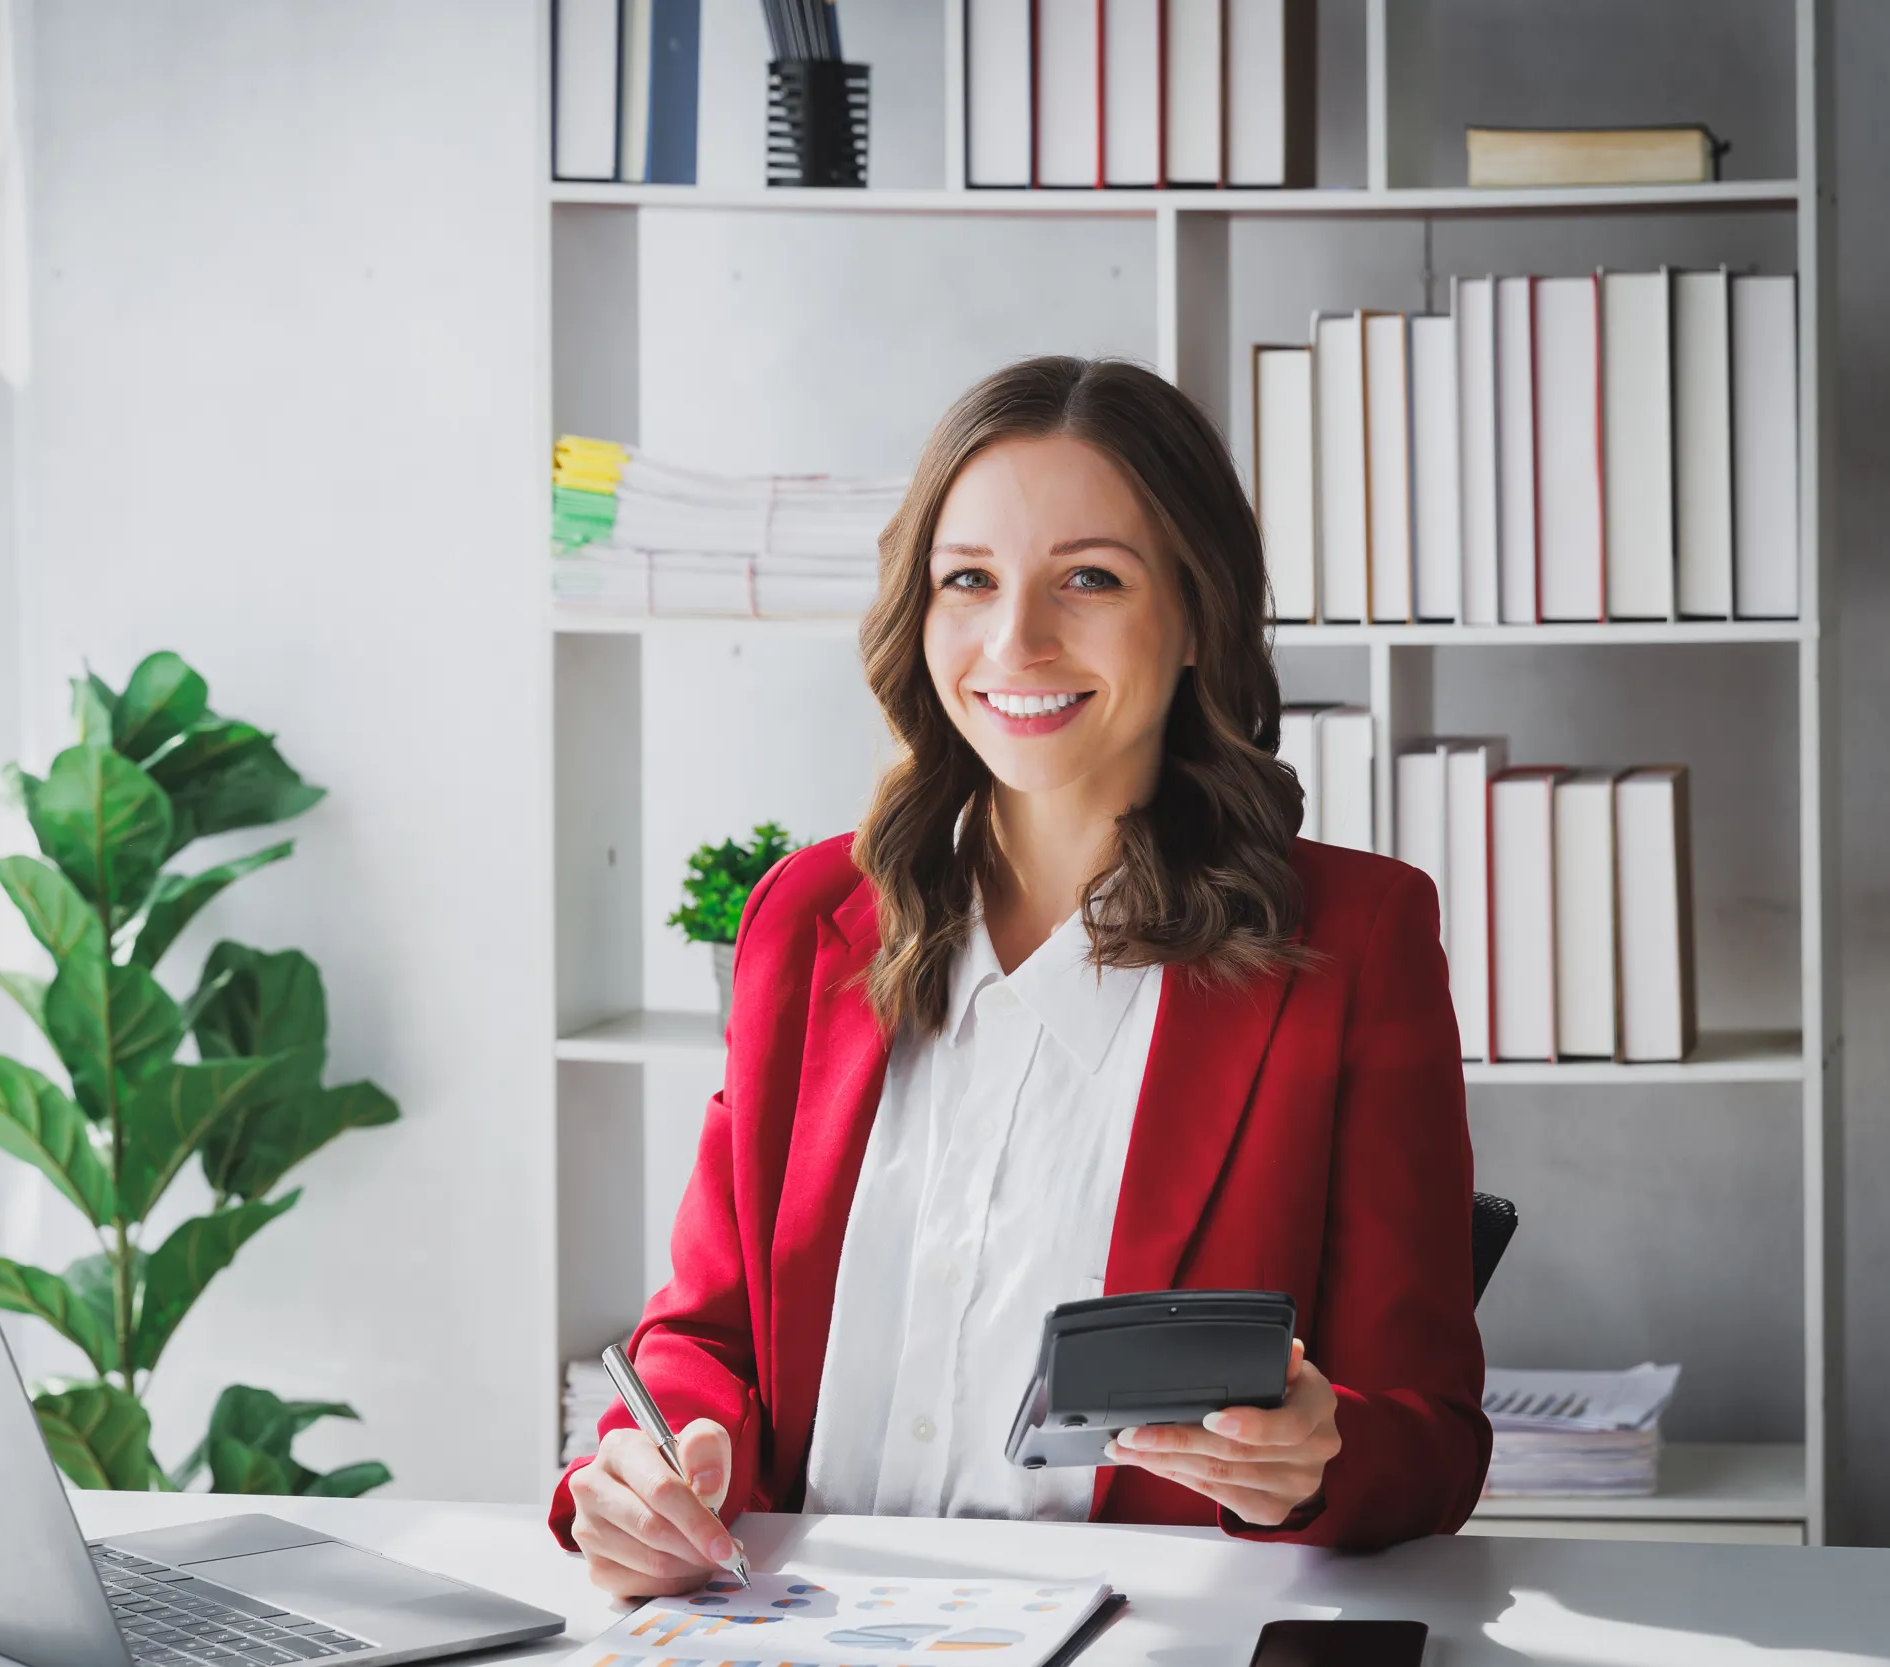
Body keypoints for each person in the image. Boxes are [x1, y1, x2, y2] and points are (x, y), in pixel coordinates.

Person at [552, 357, 1487, 1594]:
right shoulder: (807, 916)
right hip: (789, 1627)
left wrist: (1319, 1455)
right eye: (969, 581)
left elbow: (1428, 1431)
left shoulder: (1355, 939)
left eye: (1088, 578)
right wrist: (643, 1463)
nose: (1015, 640)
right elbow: (704, 1334)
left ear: (1198, 613)